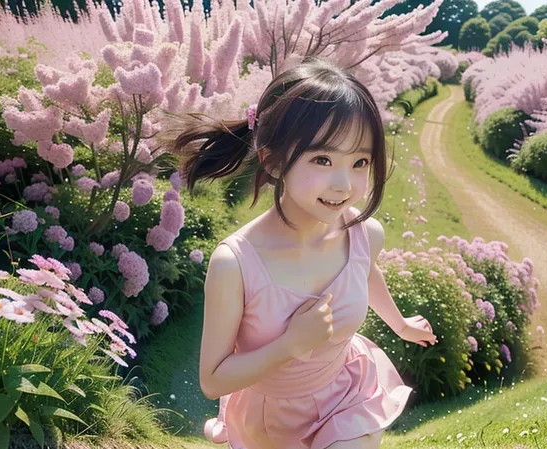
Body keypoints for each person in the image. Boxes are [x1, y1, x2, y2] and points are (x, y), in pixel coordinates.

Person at [164, 55, 437, 449]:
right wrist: (291, 344)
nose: (343, 185)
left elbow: (362, 271)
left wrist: (399, 323)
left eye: (360, 161)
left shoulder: (364, 234)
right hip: (270, 423)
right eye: (322, 159)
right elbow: (212, 379)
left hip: (345, 392)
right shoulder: (236, 264)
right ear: (273, 161)